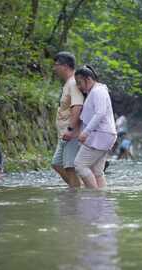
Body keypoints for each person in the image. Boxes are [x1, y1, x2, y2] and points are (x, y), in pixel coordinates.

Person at [73, 65, 117, 189]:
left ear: (88, 79)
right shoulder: (97, 90)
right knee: (97, 171)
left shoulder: (98, 91)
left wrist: (85, 132)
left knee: (80, 165)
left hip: (101, 134)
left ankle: (94, 196)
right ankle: (102, 202)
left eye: (79, 82)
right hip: (104, 134)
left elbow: (100, 113)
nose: (78, 86)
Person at [51, 52, 85, 188]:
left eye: (56, 65)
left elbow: (77, 106)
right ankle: (77, 188)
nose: (54, 68)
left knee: (70, 167)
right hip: (65, 134)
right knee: (57, 164)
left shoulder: (73, 83)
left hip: (71, 133)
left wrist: (71, 129)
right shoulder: (68, 83)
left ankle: (76, 196)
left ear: (65, 66)